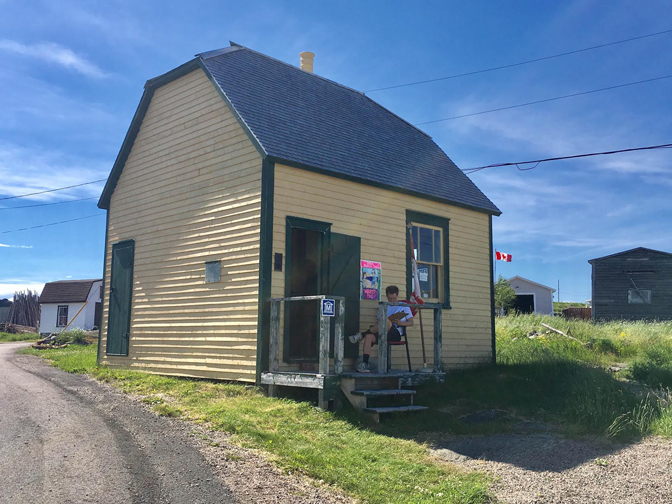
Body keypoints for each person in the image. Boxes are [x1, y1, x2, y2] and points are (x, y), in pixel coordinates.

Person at [348, 285, 414, 373]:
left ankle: (361, 335)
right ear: (387, 296)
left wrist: (401, 323)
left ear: (397, 296)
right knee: (369, 336)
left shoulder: (404, 306)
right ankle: (365, 364)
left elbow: (411, 322)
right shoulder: (383, 306)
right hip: (382, 331)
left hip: (395, 333)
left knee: (386, 320)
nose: (392, 301)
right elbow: (378, 323)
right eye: (390, 298)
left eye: (394, 298)